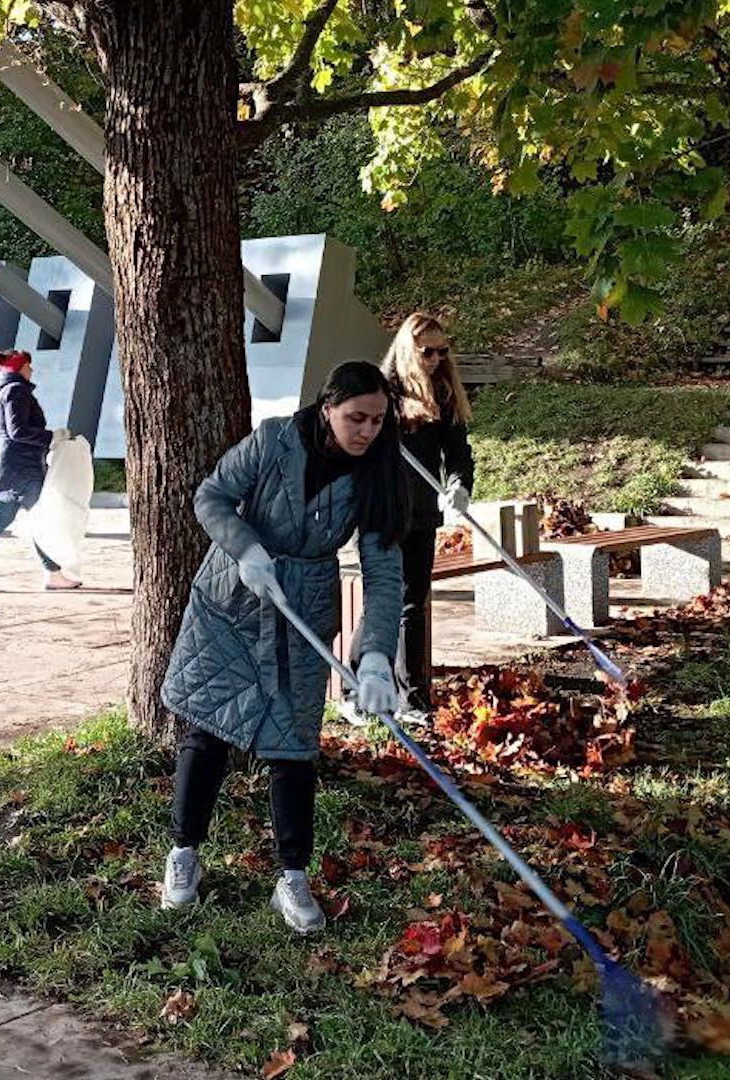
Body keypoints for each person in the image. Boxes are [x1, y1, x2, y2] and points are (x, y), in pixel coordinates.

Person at [158, 361, 409, 934]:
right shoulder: (274, 439)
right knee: (208, 727)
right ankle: (183, 853)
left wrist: (373, 656)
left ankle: (291, 875)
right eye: (355, 418)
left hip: (302, 612)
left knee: (293, 746)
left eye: (377, 420)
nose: (367, 430)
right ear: (327, 409)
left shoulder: (380, 473)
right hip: (231, 599)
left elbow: (385, 573)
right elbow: (213, 496)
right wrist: (245, 548)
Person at [376, 312, 474, 715]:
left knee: (414, 602)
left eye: (442, 351)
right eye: (427, 352)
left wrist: (459, 486)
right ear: (408, 349)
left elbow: (459, 452)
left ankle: (412, 698)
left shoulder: (445, 390)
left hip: (422, 513)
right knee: (385, 601)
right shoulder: (384, 392)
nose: (436, 359)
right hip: (383, 510)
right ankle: (354, 688)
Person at [0, 349, 79, 592]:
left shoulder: (5, 390)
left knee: (4, 516)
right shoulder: (16, 391)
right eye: (28, 365)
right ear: (19, 367)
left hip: (9, 461)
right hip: (20, 464)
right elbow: (18, 431)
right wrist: (52, 436)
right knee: (40, 517)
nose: (31, 370)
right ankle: (53, 574)